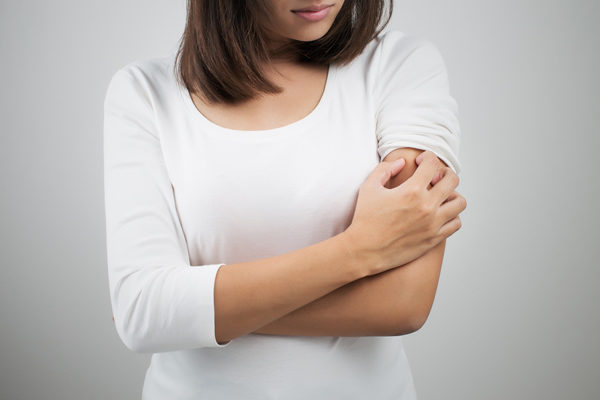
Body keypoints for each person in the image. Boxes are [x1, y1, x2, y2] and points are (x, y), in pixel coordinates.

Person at [103, 0, 467, 399]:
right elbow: (144, 314)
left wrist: (196, 310)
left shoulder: (398, 66)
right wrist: (359, 250)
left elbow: (403, 301)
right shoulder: (145, 92)